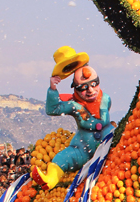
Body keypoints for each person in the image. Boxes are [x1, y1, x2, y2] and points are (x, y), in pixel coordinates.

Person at [36, 51, 114, 190]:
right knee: (63, 158)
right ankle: (50, 179)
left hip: (110, 145)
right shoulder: (74, 105)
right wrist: (53, 88)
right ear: (76, 88)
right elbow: (52, 109)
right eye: (83, 88)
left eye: (94, 84)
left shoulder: (105, 98)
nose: (90, 90)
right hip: (83, 149)